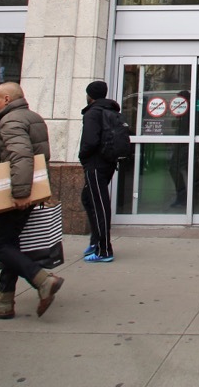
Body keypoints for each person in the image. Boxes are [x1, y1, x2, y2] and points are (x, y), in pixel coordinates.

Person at [0, 82, 63, 320]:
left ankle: (42, 279)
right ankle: (3, 301)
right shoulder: (31, 117)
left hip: (17, 193)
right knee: (10, 244)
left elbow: (22, 157)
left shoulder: (11, 121)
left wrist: (20, 193)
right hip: (29, 190)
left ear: (6, 98)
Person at [79, 80, 120, 262]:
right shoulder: (111, 110)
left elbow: (89, 141)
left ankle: (104, 249)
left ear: (90, 95)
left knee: (99, 204)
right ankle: (96, 240)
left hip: (95, 164)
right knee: (87, 198)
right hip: (108, 162)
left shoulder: (92, 113)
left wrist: (83, 157)